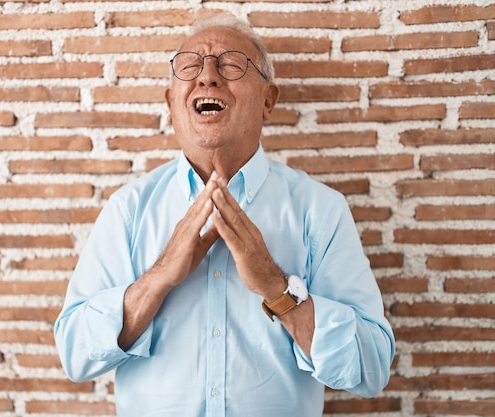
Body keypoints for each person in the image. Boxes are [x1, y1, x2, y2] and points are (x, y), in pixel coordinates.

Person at [55, 13, 395, 417]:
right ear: (170, 103)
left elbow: (371, 368)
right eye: (191, 65)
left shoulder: (320, 210)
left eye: (231, 64)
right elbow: (76, 356)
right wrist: (160, 276)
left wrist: (276, 287)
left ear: (268, 100)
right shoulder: (129, 208)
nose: (208, 77)